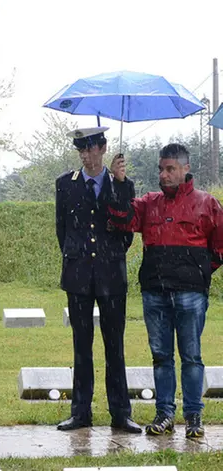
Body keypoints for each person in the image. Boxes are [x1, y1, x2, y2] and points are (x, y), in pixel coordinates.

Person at [109, 144, 223, 438]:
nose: (164, 174)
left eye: (170, 168)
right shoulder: (149, 203)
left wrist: (198, 272)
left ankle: (194, 417)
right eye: (161, 169)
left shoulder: (207, 203)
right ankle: (165, 414)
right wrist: (120, 182)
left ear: (186, 169)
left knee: (191, 355)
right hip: (155, 292)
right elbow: (122, 218)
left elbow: (220, 246)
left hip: (190, 294)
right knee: (161, 356)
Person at [54, 127, 141, 434]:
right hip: (78, 275)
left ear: (103, 148)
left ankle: (121, 412)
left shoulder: (122, 184)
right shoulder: (66, 184)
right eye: (81, 150)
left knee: (114, 345)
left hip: (111, 275)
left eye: (90, 149)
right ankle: (80, 412)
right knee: (81, 346)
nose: (85, 155)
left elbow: (127, 228)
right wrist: (78, 256)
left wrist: (116, 185)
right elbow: (62, 229)